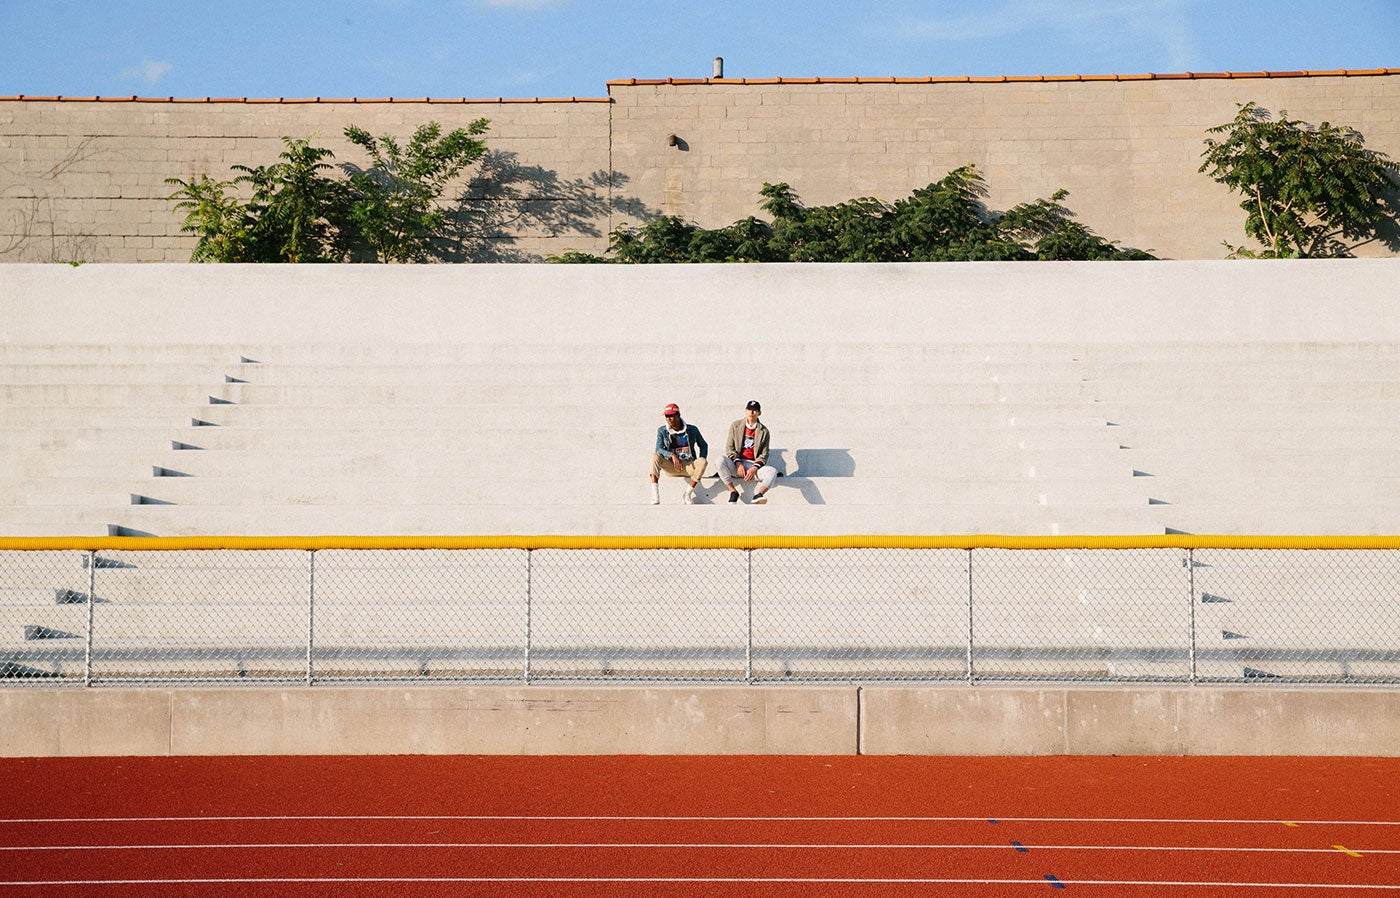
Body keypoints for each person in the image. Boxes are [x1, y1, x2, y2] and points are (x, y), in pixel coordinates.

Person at [719, 400, 777, 504]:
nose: (752, 412)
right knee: (720, 460)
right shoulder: (735, 425)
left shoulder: (764, 431)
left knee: (772, 471)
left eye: (755, 410)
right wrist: (738, 463)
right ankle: (733, 491)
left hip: (753, 466)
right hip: (736, 465)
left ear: (759, 413)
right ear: (745, 411)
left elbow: (764, 454)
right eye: (749, 410)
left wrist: (754, 468)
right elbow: (729, 448)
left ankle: (758, 495)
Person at [649, 403, 708, 504]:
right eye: (667, 416)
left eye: (671, 416)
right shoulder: (662, 430)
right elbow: (658, 449)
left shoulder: (692, 430)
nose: (669, 419)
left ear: (678, 415)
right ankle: (655, 495)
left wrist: (698, 462)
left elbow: (703, 445)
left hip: (689, 466)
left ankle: (687, 493)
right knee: (655, 456)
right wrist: (672, 455)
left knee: (703, 461)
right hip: (671, 466)